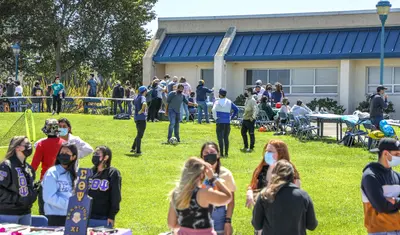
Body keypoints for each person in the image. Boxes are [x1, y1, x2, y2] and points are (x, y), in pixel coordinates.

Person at [168, 157, 232, 235]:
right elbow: (228, 197)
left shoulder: (176, 193)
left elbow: (171, 224)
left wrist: (187, 228)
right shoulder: (204, 193)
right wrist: (213, 178)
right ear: (201, 175)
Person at [252, 160, 318, 234]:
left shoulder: (265, 195)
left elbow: (257, 225)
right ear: (292, 176)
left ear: (273, 175)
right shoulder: (303, 196)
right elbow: (312, 225)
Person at [246, 140, 301, 210]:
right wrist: (249, 192)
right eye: (266, 151)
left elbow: (294, 196)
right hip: (261, 212)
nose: (267, 153)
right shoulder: (262, 169)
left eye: (270, 151)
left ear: (281, 153)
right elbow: (253, 185)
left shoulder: (290, 173)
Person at [361, 138, 400, 234]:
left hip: (396, 228)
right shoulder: (370, 176)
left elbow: (388, 205)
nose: (399, 157)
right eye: (397, 154)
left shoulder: (397, 175)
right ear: (386, 153)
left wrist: (394, 201)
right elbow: (382, 207)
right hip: (379, 230)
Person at [200, 142, 236, 235]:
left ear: (218, 154)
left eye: (212, 152)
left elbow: (231, 201)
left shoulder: (226, 174)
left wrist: (228, 222)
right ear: (202, 156)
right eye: (206, 153)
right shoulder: (197, 174)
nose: (209, 154)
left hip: (219, 222)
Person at [0, 136, 37, 225]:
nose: (29, 147)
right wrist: (17, 199)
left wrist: (34, 193)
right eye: (27, 144)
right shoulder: (6, 166)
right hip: (9, 213)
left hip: (26, 213)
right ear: (17, 147)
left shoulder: (29, 168)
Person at [31, 119, 65, 215]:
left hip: (46, 181)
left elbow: (34, 166)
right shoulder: (64, 144)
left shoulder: (41, 145)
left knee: (44, 211)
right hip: (63, 181)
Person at [42, 142, 78, 226]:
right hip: (55, 216)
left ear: (73, 157)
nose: (63, 155)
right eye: (62, 153)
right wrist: (70, 205)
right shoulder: (52, 172)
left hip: (72, 216)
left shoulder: (74, 174)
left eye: (67, 153)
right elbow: (48, 197)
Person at [88, 146, 121, 228]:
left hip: (104, 217)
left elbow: (116, 196)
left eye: (98, 154)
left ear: (106, 157)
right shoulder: (89, 172)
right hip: (87, 216)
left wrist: (111, 215)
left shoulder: (113, 173)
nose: (95, 155)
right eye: (94, 153)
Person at [212, 89, 238, 157]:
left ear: (220, 94)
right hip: (227, 122)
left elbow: (213, 110)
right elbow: (236, 109)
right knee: (226, 138)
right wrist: (231, 117)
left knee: (220, 138)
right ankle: (226, 153)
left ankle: (221, 153)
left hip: (219, 121)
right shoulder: (229, 102)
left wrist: (215, 118)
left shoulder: (217, 102)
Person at [131, 86, 148, 155]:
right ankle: (138, 150)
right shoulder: (142, 97)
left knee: (139, 133)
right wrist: (142, 110)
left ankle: (133, 147)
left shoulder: (136, 97)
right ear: (144, 91)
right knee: (140, 135)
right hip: (141, 118)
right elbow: (144, 104)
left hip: (136, 118)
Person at [241, 88, 258, 153]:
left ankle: (251, 147)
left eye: (247, 92)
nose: (246, 93)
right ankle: (245, 146)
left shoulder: (252, 100)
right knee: (243, 132)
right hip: (245, 118)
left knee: (251, 133)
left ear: (250, 92)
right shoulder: (247, 99)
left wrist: (253, 118)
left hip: (250, 119)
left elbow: (256, 110)